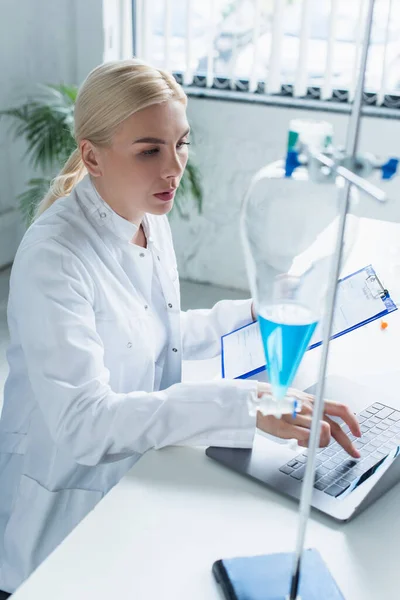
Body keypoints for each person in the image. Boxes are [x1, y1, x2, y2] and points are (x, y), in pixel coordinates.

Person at [0, 58, 361, 596]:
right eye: (150, 150)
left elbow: (161, 331)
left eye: (181, 144)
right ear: (92, 156)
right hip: (61, 519)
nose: (174, 168)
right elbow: (84, 422)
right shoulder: (54, 259)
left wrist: (262, 308)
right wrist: (247, 406)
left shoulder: (148, 218)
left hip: (137, 479)